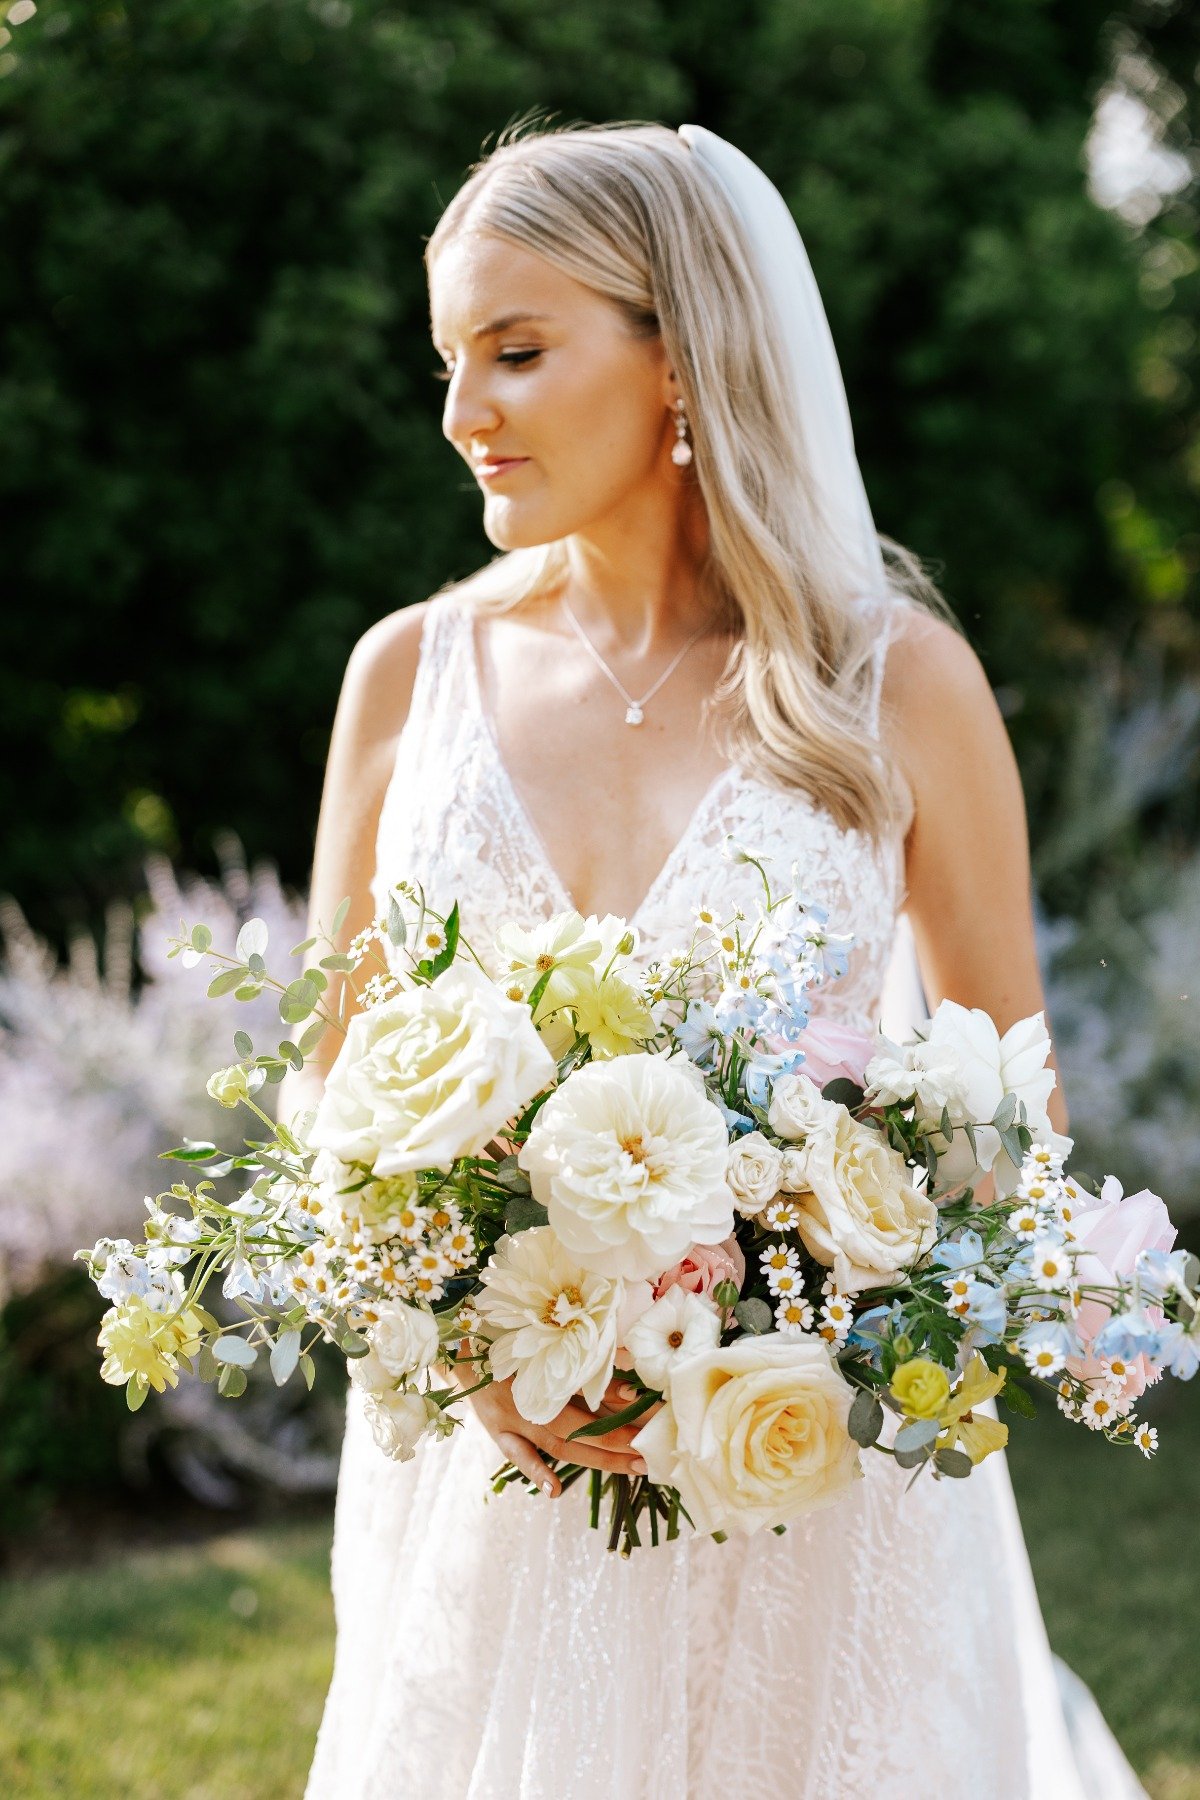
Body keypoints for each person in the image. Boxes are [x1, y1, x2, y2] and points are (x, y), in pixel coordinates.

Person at [292, 121, 1145, 1799]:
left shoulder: (896, 689)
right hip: (500, 1487)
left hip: (811, 1474)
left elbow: (1004, 1117)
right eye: (452, 360)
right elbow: (331, 1096)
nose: (463, 413)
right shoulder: (406, 680)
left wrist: (811, 1299)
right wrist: (480, 1352)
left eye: (517, 353)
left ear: (678, 354)